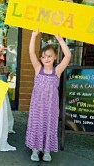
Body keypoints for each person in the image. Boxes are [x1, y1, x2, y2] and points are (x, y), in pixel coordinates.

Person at [26, 29, 72, 162]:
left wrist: (60, 39)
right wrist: (34, 36)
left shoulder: (57, 71)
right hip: (37, 105)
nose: (46, 59)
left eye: (49, 56)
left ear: (55, 57)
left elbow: (68, 56)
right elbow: (30, 52)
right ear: (40, 58)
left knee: (49, 125)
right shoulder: (37, 68)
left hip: (51, 106)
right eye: (44, 56)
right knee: (36, 124)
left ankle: (46, 150)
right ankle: (35, 149)